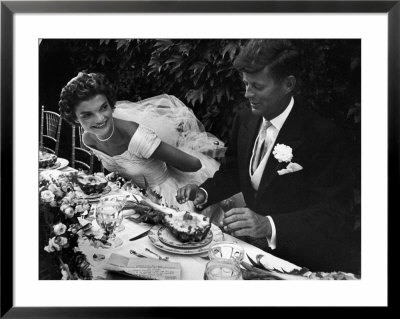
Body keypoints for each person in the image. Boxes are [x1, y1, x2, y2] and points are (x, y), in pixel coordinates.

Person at [177, 39, 360, 273]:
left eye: (257, 86)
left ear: (288, 84)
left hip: (299, 259)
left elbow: (335, 214)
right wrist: (204, 192)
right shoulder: (244, 120)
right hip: (250, 251)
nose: (247, 93)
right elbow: (233, 171)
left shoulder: (323, 136)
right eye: (245, 84)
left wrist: (269, 225)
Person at [58, 72, 223, 211]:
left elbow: (194, 164)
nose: (100, 118)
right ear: (74, 118)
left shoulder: (135, 136)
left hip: (169, 201)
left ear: (111, 104)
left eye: (103, 107)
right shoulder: (88, 138)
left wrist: (161, 155)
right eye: (87, 115)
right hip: (136, 199)